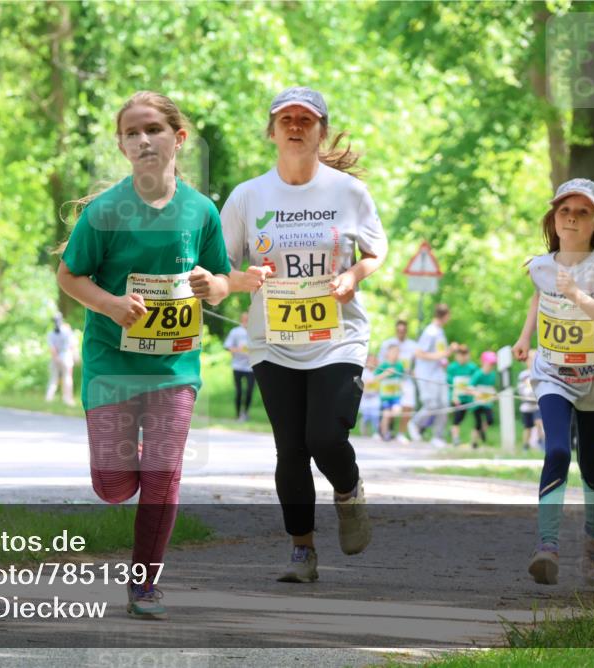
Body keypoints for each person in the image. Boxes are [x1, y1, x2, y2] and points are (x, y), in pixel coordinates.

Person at [57, 91, 236, 619]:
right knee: (114, 486)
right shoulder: (107, 211)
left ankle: (144, 584)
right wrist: (112, 305)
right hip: (112, 363)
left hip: (173, 367)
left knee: (164, 476)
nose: (142, 139)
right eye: (132, 133)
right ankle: (129, 468)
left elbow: (222, 279)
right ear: (121, 146)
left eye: (153, 129)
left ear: (178, 138)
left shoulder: (201, 210)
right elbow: (69, 276)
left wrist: (213, 284)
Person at [221, 86, 387, 584]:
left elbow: (375, 251)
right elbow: (223, 268)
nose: (295, 125)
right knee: (290, 447)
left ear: (321, 131)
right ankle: (302, 551)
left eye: (306, 119)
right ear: (272, 132)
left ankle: (349, 489)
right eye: (285, 118)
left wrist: (352, 277)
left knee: (325, 438)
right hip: (273, 339)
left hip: (338, 335)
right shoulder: (248, 196)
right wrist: (237, 281)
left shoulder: (348, 193)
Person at [512, 178, 594, 586]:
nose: (571, 218)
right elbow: (539, 296)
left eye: (582, 213)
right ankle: (547, 546)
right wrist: (524, 337)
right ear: (553, 219)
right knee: (557, 449)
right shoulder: (541, 264)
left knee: (591, 464)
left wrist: (577, 295)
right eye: (564, 211)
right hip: (553, 372)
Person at [407, 304, 458, 447]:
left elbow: (437, 353)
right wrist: (445, 353)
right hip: (427, 375)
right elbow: (419, 353)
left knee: (444, 405)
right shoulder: (430, 332)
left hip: (438, 374)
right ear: (445, 315)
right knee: (432, 405)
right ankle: (415, 423)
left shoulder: (440, 332)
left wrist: (443, 360)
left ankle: (438, 437)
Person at [379, 320, 418, 444]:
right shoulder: (387, 344)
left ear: (406, 331)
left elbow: (417, 361)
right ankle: (386, 431)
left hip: (405, 380)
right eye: (399, 330)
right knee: (390, 409)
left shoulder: (413, 345)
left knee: (408, 407)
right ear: (396, 330)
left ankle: (401, 433)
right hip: (390, 382)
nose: (401, 332)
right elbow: (380, 363)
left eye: (404, 330)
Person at [224, 312, 256, 421]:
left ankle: (245, 413)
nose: (246, 321)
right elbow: (227, 346)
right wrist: (239, 350)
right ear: (241, 319)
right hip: (237, 366)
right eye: (245, 319)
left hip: (251, 367)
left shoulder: (255, 332)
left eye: (248, 319)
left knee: (249, 391)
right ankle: (238, 415)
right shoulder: (235, 331)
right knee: (239, 391)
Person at [446, 345, 478, 447]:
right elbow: (450, 385)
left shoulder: (472, 368)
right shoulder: (452, 368)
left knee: (465, 417)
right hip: (457, 398)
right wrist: (453, 397)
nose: (463, 357)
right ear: (456, 356)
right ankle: (456, 438)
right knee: (457, 418)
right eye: (460, 354)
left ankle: (453, 432)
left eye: (465, 354)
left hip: (469, 397)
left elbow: (475, 383)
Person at [46, 313, 77, 407]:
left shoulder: (51, 333)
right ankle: (67, 398)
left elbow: (52, 348)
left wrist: (56, 357)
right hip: (66, 356)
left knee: (53, 378)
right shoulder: (67, 331)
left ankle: (49, 398)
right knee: (67, 377)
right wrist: (75, 356)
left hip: (56, 357)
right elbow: (72, 345)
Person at [469, 350, 498, 449]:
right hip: (477, 403)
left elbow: (491, 388)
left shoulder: (493, 375)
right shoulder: (478, 374)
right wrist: (476, 393)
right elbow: (470, 387)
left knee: (490, 420)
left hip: (487, 402)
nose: (491, 366)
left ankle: (482, 430)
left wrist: (494, 395)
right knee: (477, 423)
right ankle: (474, 443)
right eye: (489, 363)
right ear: (484, 362)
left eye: (492, 364)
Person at [375, 345, 405, 441]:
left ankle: (384, 427)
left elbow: (402, 378)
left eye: (397, 352)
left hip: (396, 396)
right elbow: (375, 378)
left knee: (396, 411)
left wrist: (402, 388)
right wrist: (386, 373)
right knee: (386, 414)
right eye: (393, 352)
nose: (395, 354)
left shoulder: (399, 365)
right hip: (385, 396)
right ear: (388, 353)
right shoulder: (383, 365)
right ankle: (384, 434)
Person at [518, 349, 544, 450]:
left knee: (539, 422)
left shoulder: (540, 373)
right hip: (527, 405)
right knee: (527, 427)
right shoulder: (523, 375)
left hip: (538, 404)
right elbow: (521, 389)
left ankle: (541, 442)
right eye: (530, 359)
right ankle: (525, 445)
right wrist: (527, 394)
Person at [358, 354, 381, 438]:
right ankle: (364, 433)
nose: (372, 362)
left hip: (375, 397)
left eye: (373, 360)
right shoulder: (363, 372)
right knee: (366, 417)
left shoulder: (377, 372)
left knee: (375, 416)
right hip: (365, 398)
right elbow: (362, 384)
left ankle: (376, 433)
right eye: (370, 360)